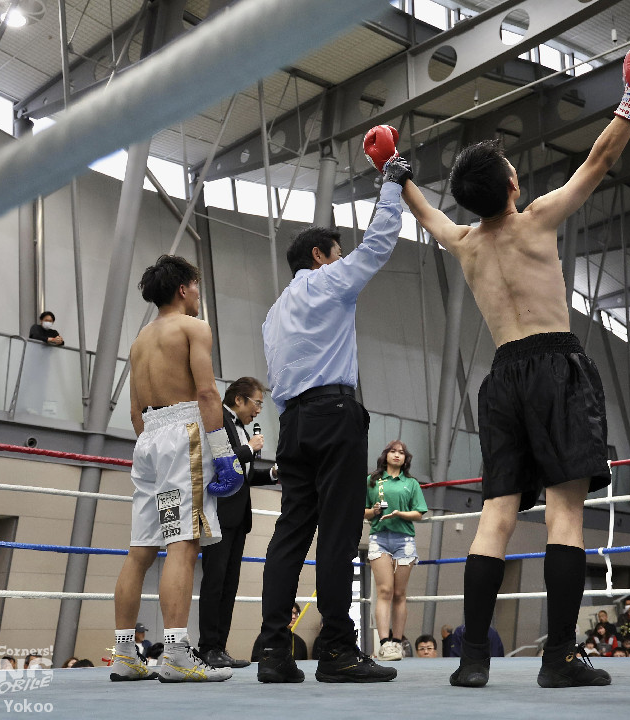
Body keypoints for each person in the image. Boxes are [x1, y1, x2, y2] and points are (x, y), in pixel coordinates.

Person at [395, 42, 630, 690]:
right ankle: (559, 658)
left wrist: (397, 174)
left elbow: (427, 213)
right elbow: (599, 159)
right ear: (512, 186)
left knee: (496, 515)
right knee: (564, 514)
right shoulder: (536, 221)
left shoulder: (464, 244)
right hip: (554, 365)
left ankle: (472, 660)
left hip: (501, 378)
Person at [254, 157, 411, 685]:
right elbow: (378, 245)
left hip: (292, 425)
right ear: (320, 256)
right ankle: (338, 650)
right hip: (334, 415)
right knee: (339, 535)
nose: (342, 259)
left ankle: (273, 652)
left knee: (290, 533)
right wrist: (391, 185)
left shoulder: (273, 313)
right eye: (335, 253)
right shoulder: (328, 281)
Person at [110, 254, 243, 684]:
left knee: (140, 549)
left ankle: (125, 656)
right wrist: (223, 451)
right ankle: (177, 655)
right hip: (183, 434)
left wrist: (156, 445)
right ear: (184, 288)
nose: (199, 295)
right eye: (196, 286)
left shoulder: (139, 342)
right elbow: (206, 393)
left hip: (148, 439)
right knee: (182, 543)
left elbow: (135, 411)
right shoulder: (192, 327)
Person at [199, 376, 280, 669]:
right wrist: (249, 448)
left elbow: (243, 475)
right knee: (214, 581)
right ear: (238, 400)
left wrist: (272, 474)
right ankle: (207, 647)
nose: (258, 410)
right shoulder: (218, 419)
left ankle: (220, 647)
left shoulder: (241, 428)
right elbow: (220, 462)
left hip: (237, 516)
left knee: (229, 583)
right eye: (256, 403)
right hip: (218, 513)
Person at [364, 439, 428, 661]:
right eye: (393, 451)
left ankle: (398, 643)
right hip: (379, 538)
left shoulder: (411, 483)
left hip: (404, 540)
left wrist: (400, 513)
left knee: (400, 593)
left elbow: (419, 513)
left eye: (401, 452)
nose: (397, 455)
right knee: (384, 591)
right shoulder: (372, 481)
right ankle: (384, 644)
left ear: (405, 459)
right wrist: (373, 511)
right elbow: (361, 510)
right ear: (386, 455)